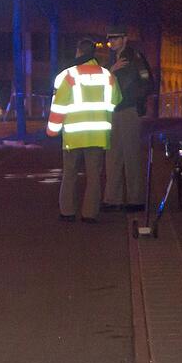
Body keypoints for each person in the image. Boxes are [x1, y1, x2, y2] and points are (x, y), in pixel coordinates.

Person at [47, 38, 121, 223]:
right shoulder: (107, 76)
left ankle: (67, 212)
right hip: (98, 135)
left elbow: (59, 105)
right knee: (94, 175)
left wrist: (52, 130)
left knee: (70, 173)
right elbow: (116, 100)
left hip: (73, 135)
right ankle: (89, 214)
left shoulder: (69, 76)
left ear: (79, 52)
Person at [103, 34, 153, 212]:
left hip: (128, 110)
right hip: (115, 110)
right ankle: (112, 199)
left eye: (116, 38)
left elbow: (147, 81)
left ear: (124, 39)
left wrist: (134, 101)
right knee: (113, 155)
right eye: (110, 39)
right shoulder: (114, 59)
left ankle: (135, 200)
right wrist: (112, 70)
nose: (112, 42)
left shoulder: (135, 57)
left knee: (131, 155)